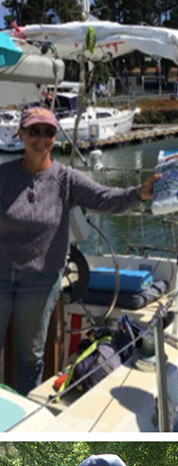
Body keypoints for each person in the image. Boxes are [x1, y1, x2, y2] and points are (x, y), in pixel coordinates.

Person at [0, 106, 157, 394]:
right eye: (33, 131)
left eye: (48, 131)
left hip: (40, 281)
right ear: (20, 134)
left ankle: (21, 424)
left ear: (55, 137)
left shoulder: (66, 179)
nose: (41, 138)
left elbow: (106, 198)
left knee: (29, 356)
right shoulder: (3, 175)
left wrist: (139, 193)